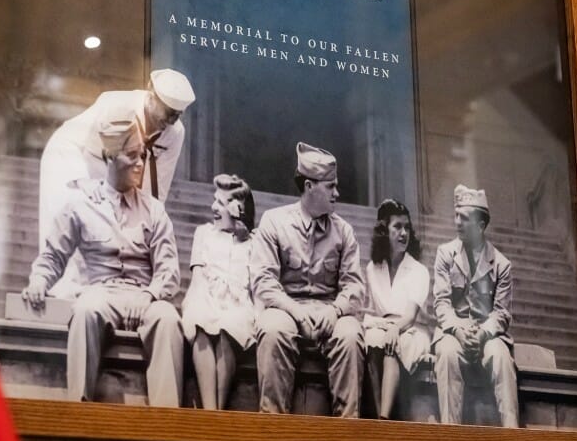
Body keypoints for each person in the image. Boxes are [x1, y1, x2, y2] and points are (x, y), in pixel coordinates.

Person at [21, 107, 184, 407]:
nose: (139, 164)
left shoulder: (154, 210)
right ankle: (79, 408)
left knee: (169, 319)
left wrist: (150, 295)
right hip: (101, 292)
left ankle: (167, 418)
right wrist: (39, 281)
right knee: (85, 311)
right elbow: (54, 255)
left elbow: (168, 271)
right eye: (131, 156)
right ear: (110, 158)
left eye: (142, 156)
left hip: (143, 295)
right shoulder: (81, 204)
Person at [38, 69, 195, 298]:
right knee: (82, 214)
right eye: (168, 112)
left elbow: (159, 182)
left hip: (114, 161)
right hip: (71, 155)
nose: (170, 121)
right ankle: (60, 287)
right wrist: (96, 191)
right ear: (151, 95)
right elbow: (95, 154)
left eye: (177, 115)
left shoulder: (175, 132)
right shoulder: (117, 104)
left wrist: (147, 215)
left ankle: (94, 288)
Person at [251, 142, 366, 416]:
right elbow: (263, 282)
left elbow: (355, 286)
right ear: (309, 186)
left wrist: (335, 309)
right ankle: (272, 427)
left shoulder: (344, 231)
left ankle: (346, 433)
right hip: (287, 308)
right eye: (330, 186)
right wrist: (296, 312)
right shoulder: (274, 222)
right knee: (272, 330)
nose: (337, 193)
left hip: (330, 309)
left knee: (351, 335)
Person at [432, 184, 518, 427]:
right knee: (447, 354)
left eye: (464, 218)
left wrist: (481, 334)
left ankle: (512, 435)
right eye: (456, 215)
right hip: (454, 330)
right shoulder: (445, 254)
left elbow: (501, 313)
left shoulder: (501, 264)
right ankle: (450, 433)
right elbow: (441, 303)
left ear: (481, 226)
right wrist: (458, 331)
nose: (457, 222)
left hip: (487, 333)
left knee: (501, 357)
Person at [181, 174, 257, 410]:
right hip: (206, 293)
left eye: (222, 203)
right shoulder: (203, 233)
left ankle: (219, 410)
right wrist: (197, 303)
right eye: (215, 200)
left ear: (238, 209)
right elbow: (197, 279)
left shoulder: (254, 242)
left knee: (229, 327)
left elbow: (256, 285)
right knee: (201, 320)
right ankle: (210, 411)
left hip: (237, 302)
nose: (214, 207)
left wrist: (242, 230)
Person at [362, 199, 431, 420]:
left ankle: (384, 419)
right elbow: (374, 310)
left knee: (392, 343)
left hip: (412, 330)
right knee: (371, 338)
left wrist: (394, 329)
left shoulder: (418, 270)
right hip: (383, 326)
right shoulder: (373, 268)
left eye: (407, 227)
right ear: (384, 231)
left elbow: (410, 316)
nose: (404, 233)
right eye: (397, 227)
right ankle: (375, 413)